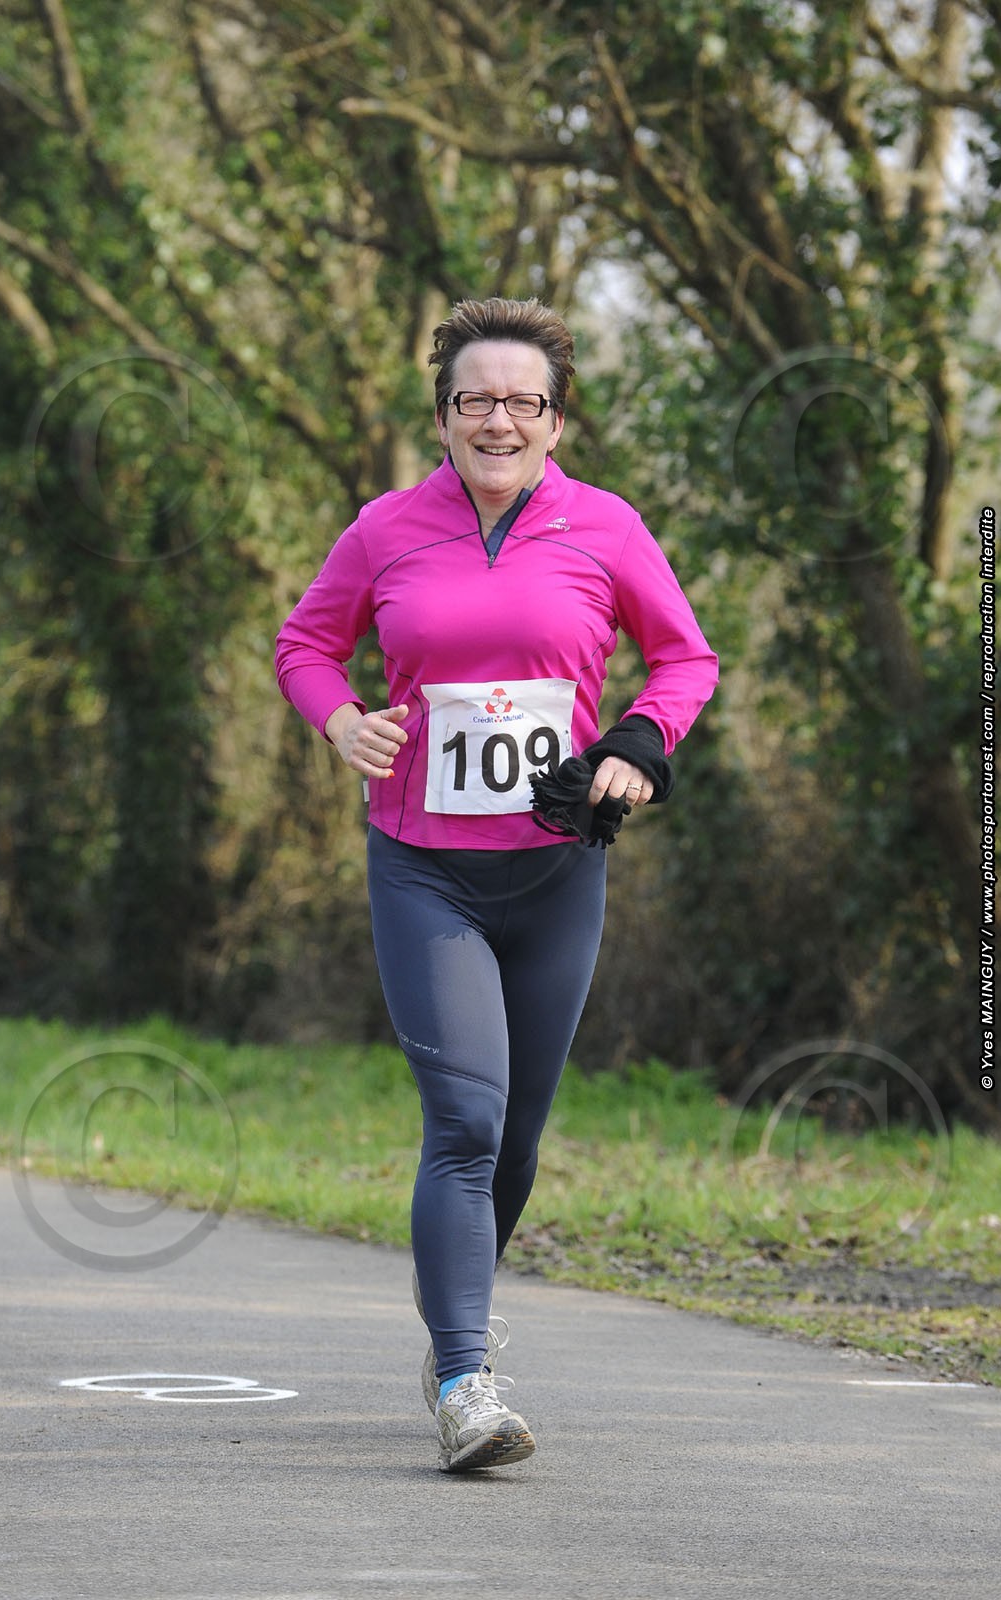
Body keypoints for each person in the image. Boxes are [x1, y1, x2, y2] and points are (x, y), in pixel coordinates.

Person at [275, 296, 718, 1472]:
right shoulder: (384, 529)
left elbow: (684, 658)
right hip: (425, 873)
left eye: (524, 401)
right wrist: (342, 722)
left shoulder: (606, 527)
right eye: (476, 399)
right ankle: (465, 1379)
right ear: (444, 415)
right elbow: (304, 644)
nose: (499, 420)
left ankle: (452, 1321)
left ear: (557, 420)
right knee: (465, 1120)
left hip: (558, 871)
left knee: (515, 1138)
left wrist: (637, 744)